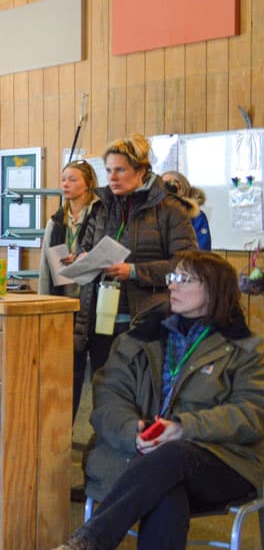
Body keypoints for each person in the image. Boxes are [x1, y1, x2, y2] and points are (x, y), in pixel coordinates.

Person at [44, 251, 263, 550]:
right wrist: (135, 434)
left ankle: (88, 541)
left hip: (221, 462)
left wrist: (185, 426)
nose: (173, 286)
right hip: (142, 460)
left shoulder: (246, 348)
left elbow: (253, 414)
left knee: (175, 456)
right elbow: (107, 399)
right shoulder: (140, 337)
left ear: (214, 291)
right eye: (173, 278)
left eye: (186, 279)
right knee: (166, 492)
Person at [76, 135, 196, 385]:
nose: (112, 177)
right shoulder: (101, 207)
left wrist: (134, 271)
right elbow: (86, 247)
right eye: (108, 170)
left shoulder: (170, 209)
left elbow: (187, 265)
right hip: (100, 318)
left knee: (142, 397)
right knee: (104, 394)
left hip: (147, 321)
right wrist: (81, 258)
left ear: (141, 170)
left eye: (120, 169)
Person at [38, 160, 101, 419]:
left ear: (89, 184)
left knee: (99, 375)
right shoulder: (57, 222)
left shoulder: (100, 217)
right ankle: (63, 430)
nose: (66, 184)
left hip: (95, 305)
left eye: (73, 179)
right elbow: (45, 268)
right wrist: (45, 306)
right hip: (64, 306)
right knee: (67, 375)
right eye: (63, 178)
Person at [160, 170, 211, 250]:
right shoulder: (154, 215)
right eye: (164, 185)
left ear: (183, 189)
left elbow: (202, 249)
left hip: (187, 260)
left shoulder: (196, 215)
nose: (168, 190)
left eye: (172, 184)